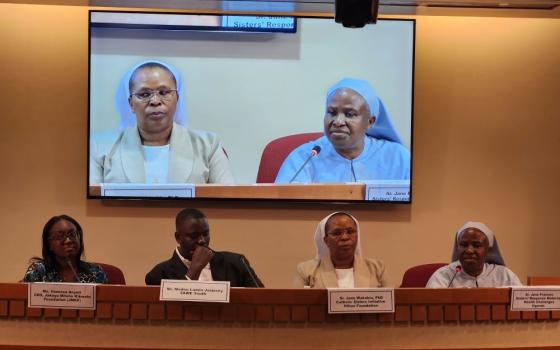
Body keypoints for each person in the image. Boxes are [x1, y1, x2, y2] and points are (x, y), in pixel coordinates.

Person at [90, 60, 234, 185]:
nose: (155, 101)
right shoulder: (100, 147)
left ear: (177, 98)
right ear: (131, 104)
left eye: (164, 92)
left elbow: (228, 199)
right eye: (144, 94)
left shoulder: (209, 145)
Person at [275, 78, 410, 183]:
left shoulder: (398, 158)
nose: (338, 121)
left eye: (350, 114)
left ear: (370, 122)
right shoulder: (304, 158)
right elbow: (281, 210)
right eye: (332, 112)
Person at [145, 208, 264, 287]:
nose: (202, 240)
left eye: (205, 234)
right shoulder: (159, 274)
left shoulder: (236, 263)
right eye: (194, 236)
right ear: (178, 237)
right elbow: (170, 313)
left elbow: (263, 300)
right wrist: (193, 271)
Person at [294, 212, 392, 288]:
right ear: (326, 240)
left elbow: (392, 304)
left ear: (357, 236)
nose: (345, 237)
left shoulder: (377, 268)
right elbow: (299, 309)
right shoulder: (306, 270)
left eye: (350, 232)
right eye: (337, 233)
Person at [426, 221, 522, 288]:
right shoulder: (442, 277)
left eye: (476, 245)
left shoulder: (504, 276)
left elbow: (521, 310)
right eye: (464, 245)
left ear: (488, 250)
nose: (469, 250)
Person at [23, 215, 108, 283]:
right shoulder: (38, 271)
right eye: (60, 236)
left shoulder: (95, 272)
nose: (68, 240)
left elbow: (104, 303)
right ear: (49, 244)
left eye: (72, 234)